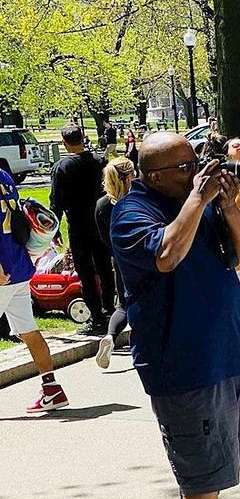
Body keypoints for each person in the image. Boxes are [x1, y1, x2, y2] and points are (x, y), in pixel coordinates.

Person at [110, 132, 240, 499]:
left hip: (221, 352)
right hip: (183, 361)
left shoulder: (202, 204)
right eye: (185, 166)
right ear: (154, 176)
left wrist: (229, 203)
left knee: (211, 465)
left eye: (197, 162)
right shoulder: (132, 213)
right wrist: (198, 197)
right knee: (201, 470)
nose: (196, 169)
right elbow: (166, 255)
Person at [0, 168, 70, 411]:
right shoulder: (4, 175)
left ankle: (52, 391)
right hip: (19, 265)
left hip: (3, 272)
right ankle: (51, 389)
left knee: (28, 331)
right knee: (28, 331)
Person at [50, 123, 115, 335]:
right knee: (105, 267)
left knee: (86, 272)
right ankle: (110, 310)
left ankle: (96, 317)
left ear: (64, 142)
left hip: (78, 224)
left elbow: (56, 201)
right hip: (101, 221)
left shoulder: (62, 167)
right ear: (83, 138)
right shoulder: (99, 161)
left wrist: (55, 228)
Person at [94, 157, 135, 370]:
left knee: (122, 304)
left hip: (119, 259)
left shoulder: (102, 206)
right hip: (142, 259)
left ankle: (110, 336)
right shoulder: (137, 201)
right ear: (129, 176)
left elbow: (104, 239)